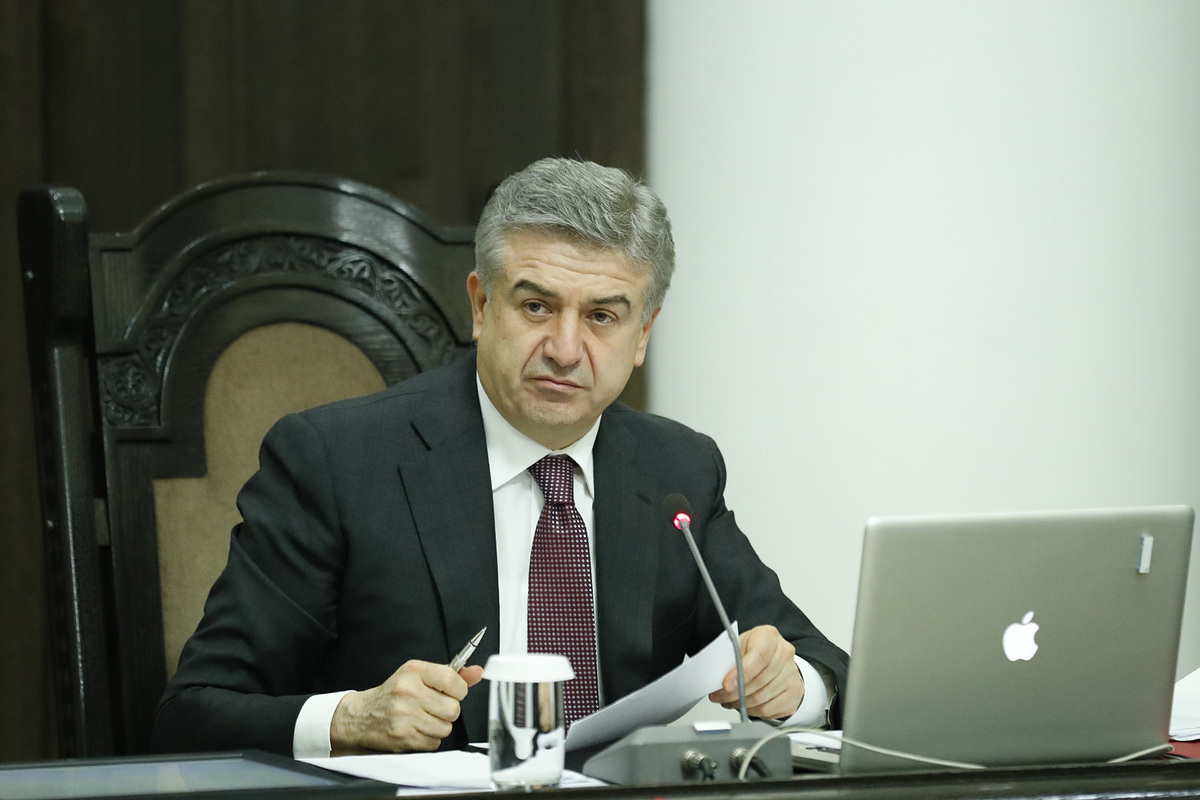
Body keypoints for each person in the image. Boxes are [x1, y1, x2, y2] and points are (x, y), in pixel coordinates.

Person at [151, 157, 849, 758]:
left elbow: (822, 665)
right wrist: (351, 718)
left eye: (602, 316)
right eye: (537, 307)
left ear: (643, 335)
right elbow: (194, 712)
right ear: (482, 305)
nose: (566, 350)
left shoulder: (676, 469)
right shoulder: (335, 462)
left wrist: (791, 687)